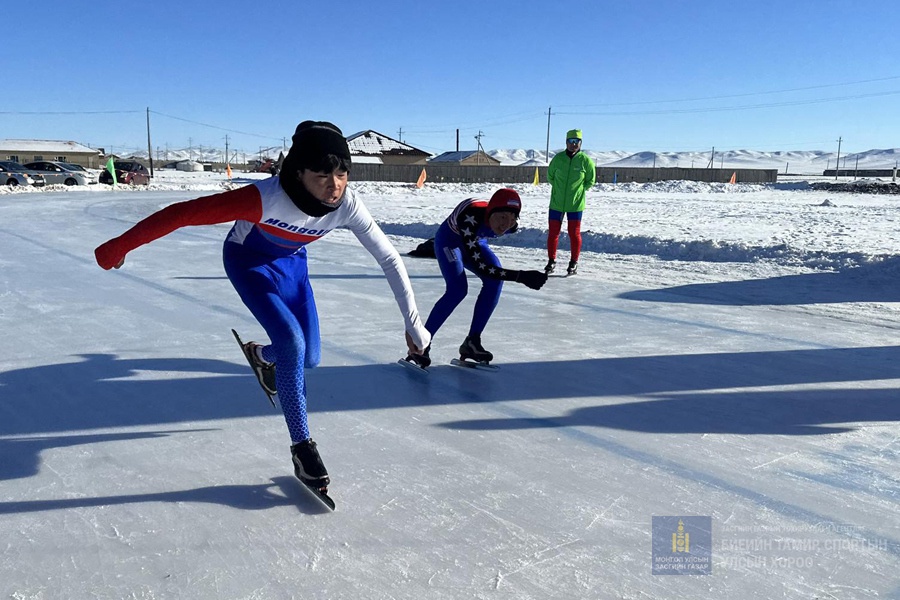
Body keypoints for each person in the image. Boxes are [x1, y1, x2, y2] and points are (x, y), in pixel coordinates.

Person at [94, 120, 430, 493]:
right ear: (298, 172)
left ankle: (261, 354)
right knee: (292, 342)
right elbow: (181, 214)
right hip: (248, 261)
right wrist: (117, 248)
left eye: (342, 173)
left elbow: (389, 259)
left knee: (309, 358)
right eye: (322, 174)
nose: (334, 186)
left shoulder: (347, 205)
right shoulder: (264, 198)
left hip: (292, 267)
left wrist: (412, 323)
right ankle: (303, 447)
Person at [405, 188, 548, 368]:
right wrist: (520, 276)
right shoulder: (469, 218)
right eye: (503, 217)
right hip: (449, 242)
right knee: (457, 290)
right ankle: (422, 343)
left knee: (495, 282)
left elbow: (486, 263)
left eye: (512, 220)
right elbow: (484, 267)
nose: (506, 225)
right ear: (491, 211)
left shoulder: (510, 226)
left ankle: (472, 341)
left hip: (474, 241)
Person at [545, 128, 596, 275]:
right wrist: (559, 191)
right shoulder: (558, 159)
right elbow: (550, 177)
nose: (574, 144)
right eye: (571, 141)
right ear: (566, 142)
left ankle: (574, 262)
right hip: (556, 203)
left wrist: (578, 192)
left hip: (575, 205)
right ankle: (551, 261)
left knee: (574, 233)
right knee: (553, 233)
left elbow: (590, 181)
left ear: (580, 143)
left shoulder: (586, 161)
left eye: (577, 141)